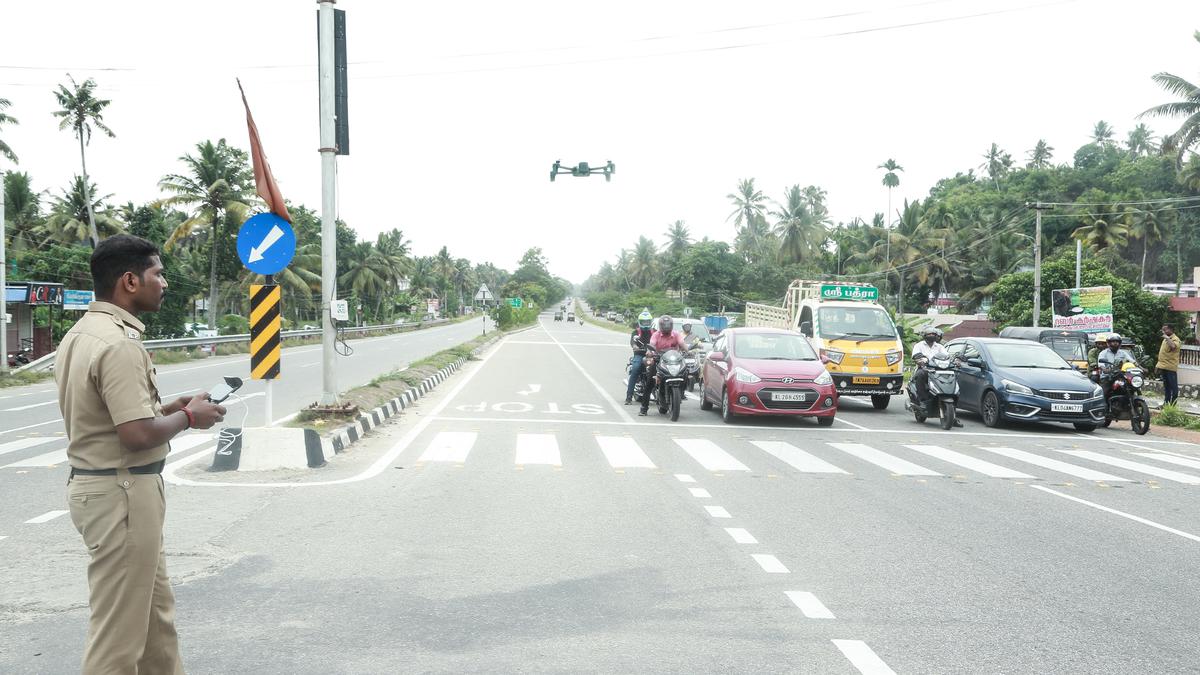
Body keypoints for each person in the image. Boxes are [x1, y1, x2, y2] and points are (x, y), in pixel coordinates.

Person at [56, 234, 226, 674]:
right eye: (158, 273)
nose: (164, 283)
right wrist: (192, 419)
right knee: (118, 638)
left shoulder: (83, 333)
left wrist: (169, 409)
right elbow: (135, 434)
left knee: (155, 625)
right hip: (123, 494)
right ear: (130, 281)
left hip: (115, 490)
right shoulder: (119, 344)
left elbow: (110, 416)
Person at [910, 327, 962, 426]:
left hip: (941, 370)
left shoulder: (940, 347)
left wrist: (956, 362)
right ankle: (923, 401)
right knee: (920, 375)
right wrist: (920, 360)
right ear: (924, 336)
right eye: (929, 334)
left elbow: (947, 356)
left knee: (954, 378)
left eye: (934, 334)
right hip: (926, 369)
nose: (932, 336)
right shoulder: (919, 345)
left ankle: (953, 416)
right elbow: (916, 356)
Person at [640, 315, 688, 416]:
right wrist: (650, 352)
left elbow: (682, 344)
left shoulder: (676, 334)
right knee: (650, 382)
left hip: (674, 361)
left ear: (671, 325)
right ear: (660, 326)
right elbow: (652, 345)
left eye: (668, 325)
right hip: (659, 360)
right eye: (664, 325)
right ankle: (644, 408)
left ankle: (682, 391)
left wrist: (687, 351)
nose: (666, 327)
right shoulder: (656, 335)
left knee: (686, 372)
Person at [625, 310, 654, 405]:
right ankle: (629, 396)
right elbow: (632, 342)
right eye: (643, 322)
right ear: (639, 322)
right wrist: (635, 346)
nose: (645, 324)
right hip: (640, 354)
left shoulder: (654, 332)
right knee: (635, 369)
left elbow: (659, 340)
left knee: (661, 370)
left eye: (647, 322)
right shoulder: (636, 332)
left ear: (650, 322)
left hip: (652, 355)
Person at [1157, 323, 1182, 405]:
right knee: (1167, 388)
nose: (1163, 331)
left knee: (1174, 389)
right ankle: (1166, 404)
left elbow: (1173, 346)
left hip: (1170, 368)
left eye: (1165, 329)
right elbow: (1163, 354)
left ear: (1171, 330)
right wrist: (1158, 366)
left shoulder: (1175, 339)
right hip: (1163, 367)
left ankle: (1173, 406)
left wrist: (1167, 338)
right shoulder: (1165, 339)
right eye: (1162, 329)